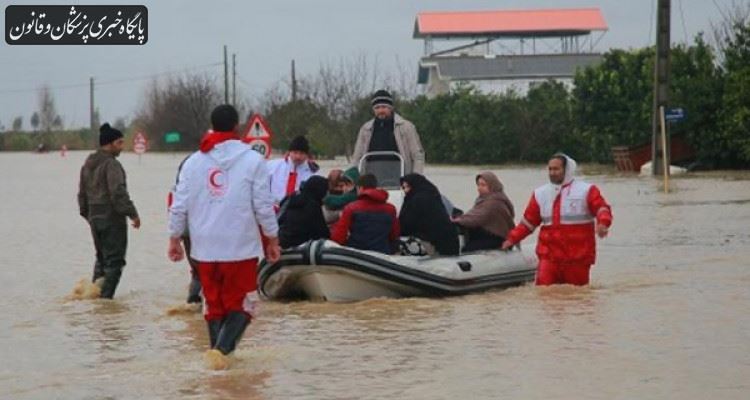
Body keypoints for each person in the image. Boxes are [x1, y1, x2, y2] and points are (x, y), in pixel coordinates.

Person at [167, 105, 280, 369]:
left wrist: (174, 237)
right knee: (243, 306)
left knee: (214, 306)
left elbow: (179, 204)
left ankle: (217, 375)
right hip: (239, 246)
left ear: (212, 125)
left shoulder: (193, 162)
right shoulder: (253, 160)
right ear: (237, 127)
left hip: (204, 247)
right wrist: (272, 238)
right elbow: (264, 206)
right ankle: (220, 355)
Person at [501, 154, 613, 286]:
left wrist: (603, 223)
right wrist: (511, 240)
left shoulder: (586, 190)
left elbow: (601, 208)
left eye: (556, 169)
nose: (552, 173)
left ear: (566, 170)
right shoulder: (540, 193)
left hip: (577, 258)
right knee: (544, 294)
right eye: (550, 169)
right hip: (549, 256)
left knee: (576, 298)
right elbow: (528, 223)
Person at [77, 123, 140, 299]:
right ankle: (105, 300)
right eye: (119, 143)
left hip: (94, 219)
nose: (122, 147)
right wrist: (132, 213)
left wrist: (89, 216)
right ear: (110, 144)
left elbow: (81, 195)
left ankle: (94, 298)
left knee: (101, 259)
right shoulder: (111, 165)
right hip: (112, 220)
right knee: (115, 262)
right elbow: (118, 192)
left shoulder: (88, 164)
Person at [351, 89, 425, 175]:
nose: (380, 111)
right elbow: (357, 157)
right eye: (377, 108)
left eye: (384, 107)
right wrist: (353, 177)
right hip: (372, 176)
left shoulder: (406, 127)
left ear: (391, 108)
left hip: (399, 175)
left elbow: (417, 155)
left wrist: (416, 177)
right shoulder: (365, 129)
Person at [331, 174, 400, 254]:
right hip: (382, 254)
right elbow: (394, 234)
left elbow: (338, 237)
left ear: (360, 188)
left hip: (357, 255)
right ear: (375, 187)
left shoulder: (351, 208)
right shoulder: (390, 209)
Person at [452, 171, 515, 252]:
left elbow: (477, 219)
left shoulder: (494, 202)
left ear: (492, 186)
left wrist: (457, 220)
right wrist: (459, 219)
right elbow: (473, 215)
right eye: (478, 185)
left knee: (467, 249)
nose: (479, 188)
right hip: (487, 234)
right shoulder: (483, 200)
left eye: (483, 185)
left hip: (498, 238)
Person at [398, 174, 459, 256]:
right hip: (449, 242)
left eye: (408, 187)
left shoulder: (418, 199)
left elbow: (407, 225)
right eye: (404, 187)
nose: (405, 190)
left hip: (434, 244)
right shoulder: (433, 195)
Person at [278, 175, 330, 248]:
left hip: (282, 241)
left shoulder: (292, 200)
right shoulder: (312, 206)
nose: (327, 194)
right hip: (300, 248)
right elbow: (322, 234)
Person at [266, 135, 319, 205]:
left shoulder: (313, 173)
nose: (298, 156)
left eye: (302, 153)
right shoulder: (273, 166)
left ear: (307, 154)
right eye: (295, 152)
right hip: (274, 208)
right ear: (289, 152)